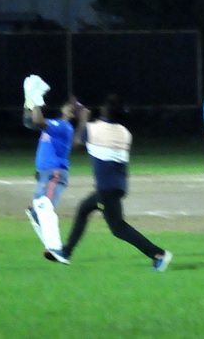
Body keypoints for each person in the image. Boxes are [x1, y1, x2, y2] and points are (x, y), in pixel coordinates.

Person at [57, 94, 172, 271]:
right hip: (118, 185)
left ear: (105, 110)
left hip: (106, 188)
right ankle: (66, 252)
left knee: (118, 228)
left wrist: (82, 119)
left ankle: (159, 254)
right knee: (83, 209)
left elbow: (77, 142)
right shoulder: (126, 133)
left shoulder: (94, 129)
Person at [23, 76, 86, 264]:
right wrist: (30, 99)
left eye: (71, 107)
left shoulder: (62, 126)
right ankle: (51, 246)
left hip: (55, 174)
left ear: (72, 114)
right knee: (37, 211)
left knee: (44, 205)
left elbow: (37, 121)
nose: (67, 106)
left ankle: (56, 249)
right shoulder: (59, 126)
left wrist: (35, 99)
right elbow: (30, 121)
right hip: (47, 173)